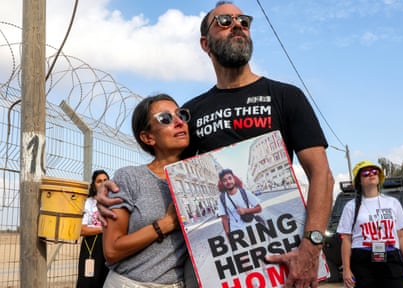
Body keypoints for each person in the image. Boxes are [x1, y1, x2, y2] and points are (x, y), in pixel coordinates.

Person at [98, 2, 334, 287]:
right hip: (213, 266)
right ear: (205, 43)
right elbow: (164, 168)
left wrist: (312, 245)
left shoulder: (286, 96)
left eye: (244, 21)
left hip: (277, 259)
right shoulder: (191, 112)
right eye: (224, 21)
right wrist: (110, 189)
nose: (237, 25)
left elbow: (321, 174)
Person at [101, 94, 197, 288]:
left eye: (181, 115)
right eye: (166, 118)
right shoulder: (130, 178)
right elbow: (111, 250)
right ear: (147, 137)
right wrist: (167, 223)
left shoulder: (200, 181)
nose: (179, 122)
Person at [337, 160, 403, 288]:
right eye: (366, 173)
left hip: (391, 255)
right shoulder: (350, 207)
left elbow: (402, 236)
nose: (371, 174)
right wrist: (346, 269)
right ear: (359, 181)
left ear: (379, 178)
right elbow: (346, 240)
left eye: (374, 172)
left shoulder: (393, 203)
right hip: (362, 258)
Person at [76, 170, 110, 288]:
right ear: (94, 184)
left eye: (105, 180)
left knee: (107, 280)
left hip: (110, 245)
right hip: (91, 246)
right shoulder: (88, 202)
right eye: (99, 181)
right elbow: (82, 230)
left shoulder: (115, 202)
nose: (102, 183)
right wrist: (103, 229)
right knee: (88, 282)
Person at [217, 168, 263, 234]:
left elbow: (259, 208)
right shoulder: (221, 199)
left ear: (234, 179)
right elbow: (224, 219)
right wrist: (228, 236)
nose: (228, 182)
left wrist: (245, 210)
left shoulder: (244, 192)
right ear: (222, 183)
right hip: (236, 233)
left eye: (230, 178)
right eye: (225, 180)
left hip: (252, 229)